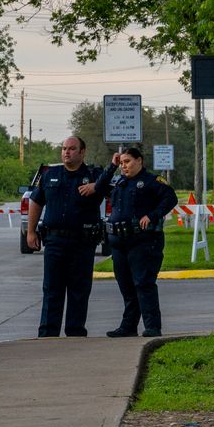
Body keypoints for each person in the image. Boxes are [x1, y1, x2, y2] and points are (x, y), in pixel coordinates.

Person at [26, 135, 108, 336]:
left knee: (79, 291)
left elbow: (112, 185)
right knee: (52, 289)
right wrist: (30, 231)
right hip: (54, 241)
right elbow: (36, 202)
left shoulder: (94, 176)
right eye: (64, 148)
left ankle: (75, 332)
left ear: (82, 152)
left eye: (72, 149)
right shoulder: (50, 174)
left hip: (82, 241)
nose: (67, 152)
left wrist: (96, 186)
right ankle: (47, 333)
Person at [97, 145, 178, 337]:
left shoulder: (151, 181)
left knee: (143, 283)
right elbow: (99, 188)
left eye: (128, 162)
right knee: (126, 285)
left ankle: (152, 327)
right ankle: (128, 326)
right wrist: (111, 166)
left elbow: (170, 198)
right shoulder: (119, 182)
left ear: (139, 161)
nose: (124, 166)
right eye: (122, 162)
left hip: (143, 241)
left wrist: (152, 215)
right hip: (119, 242)